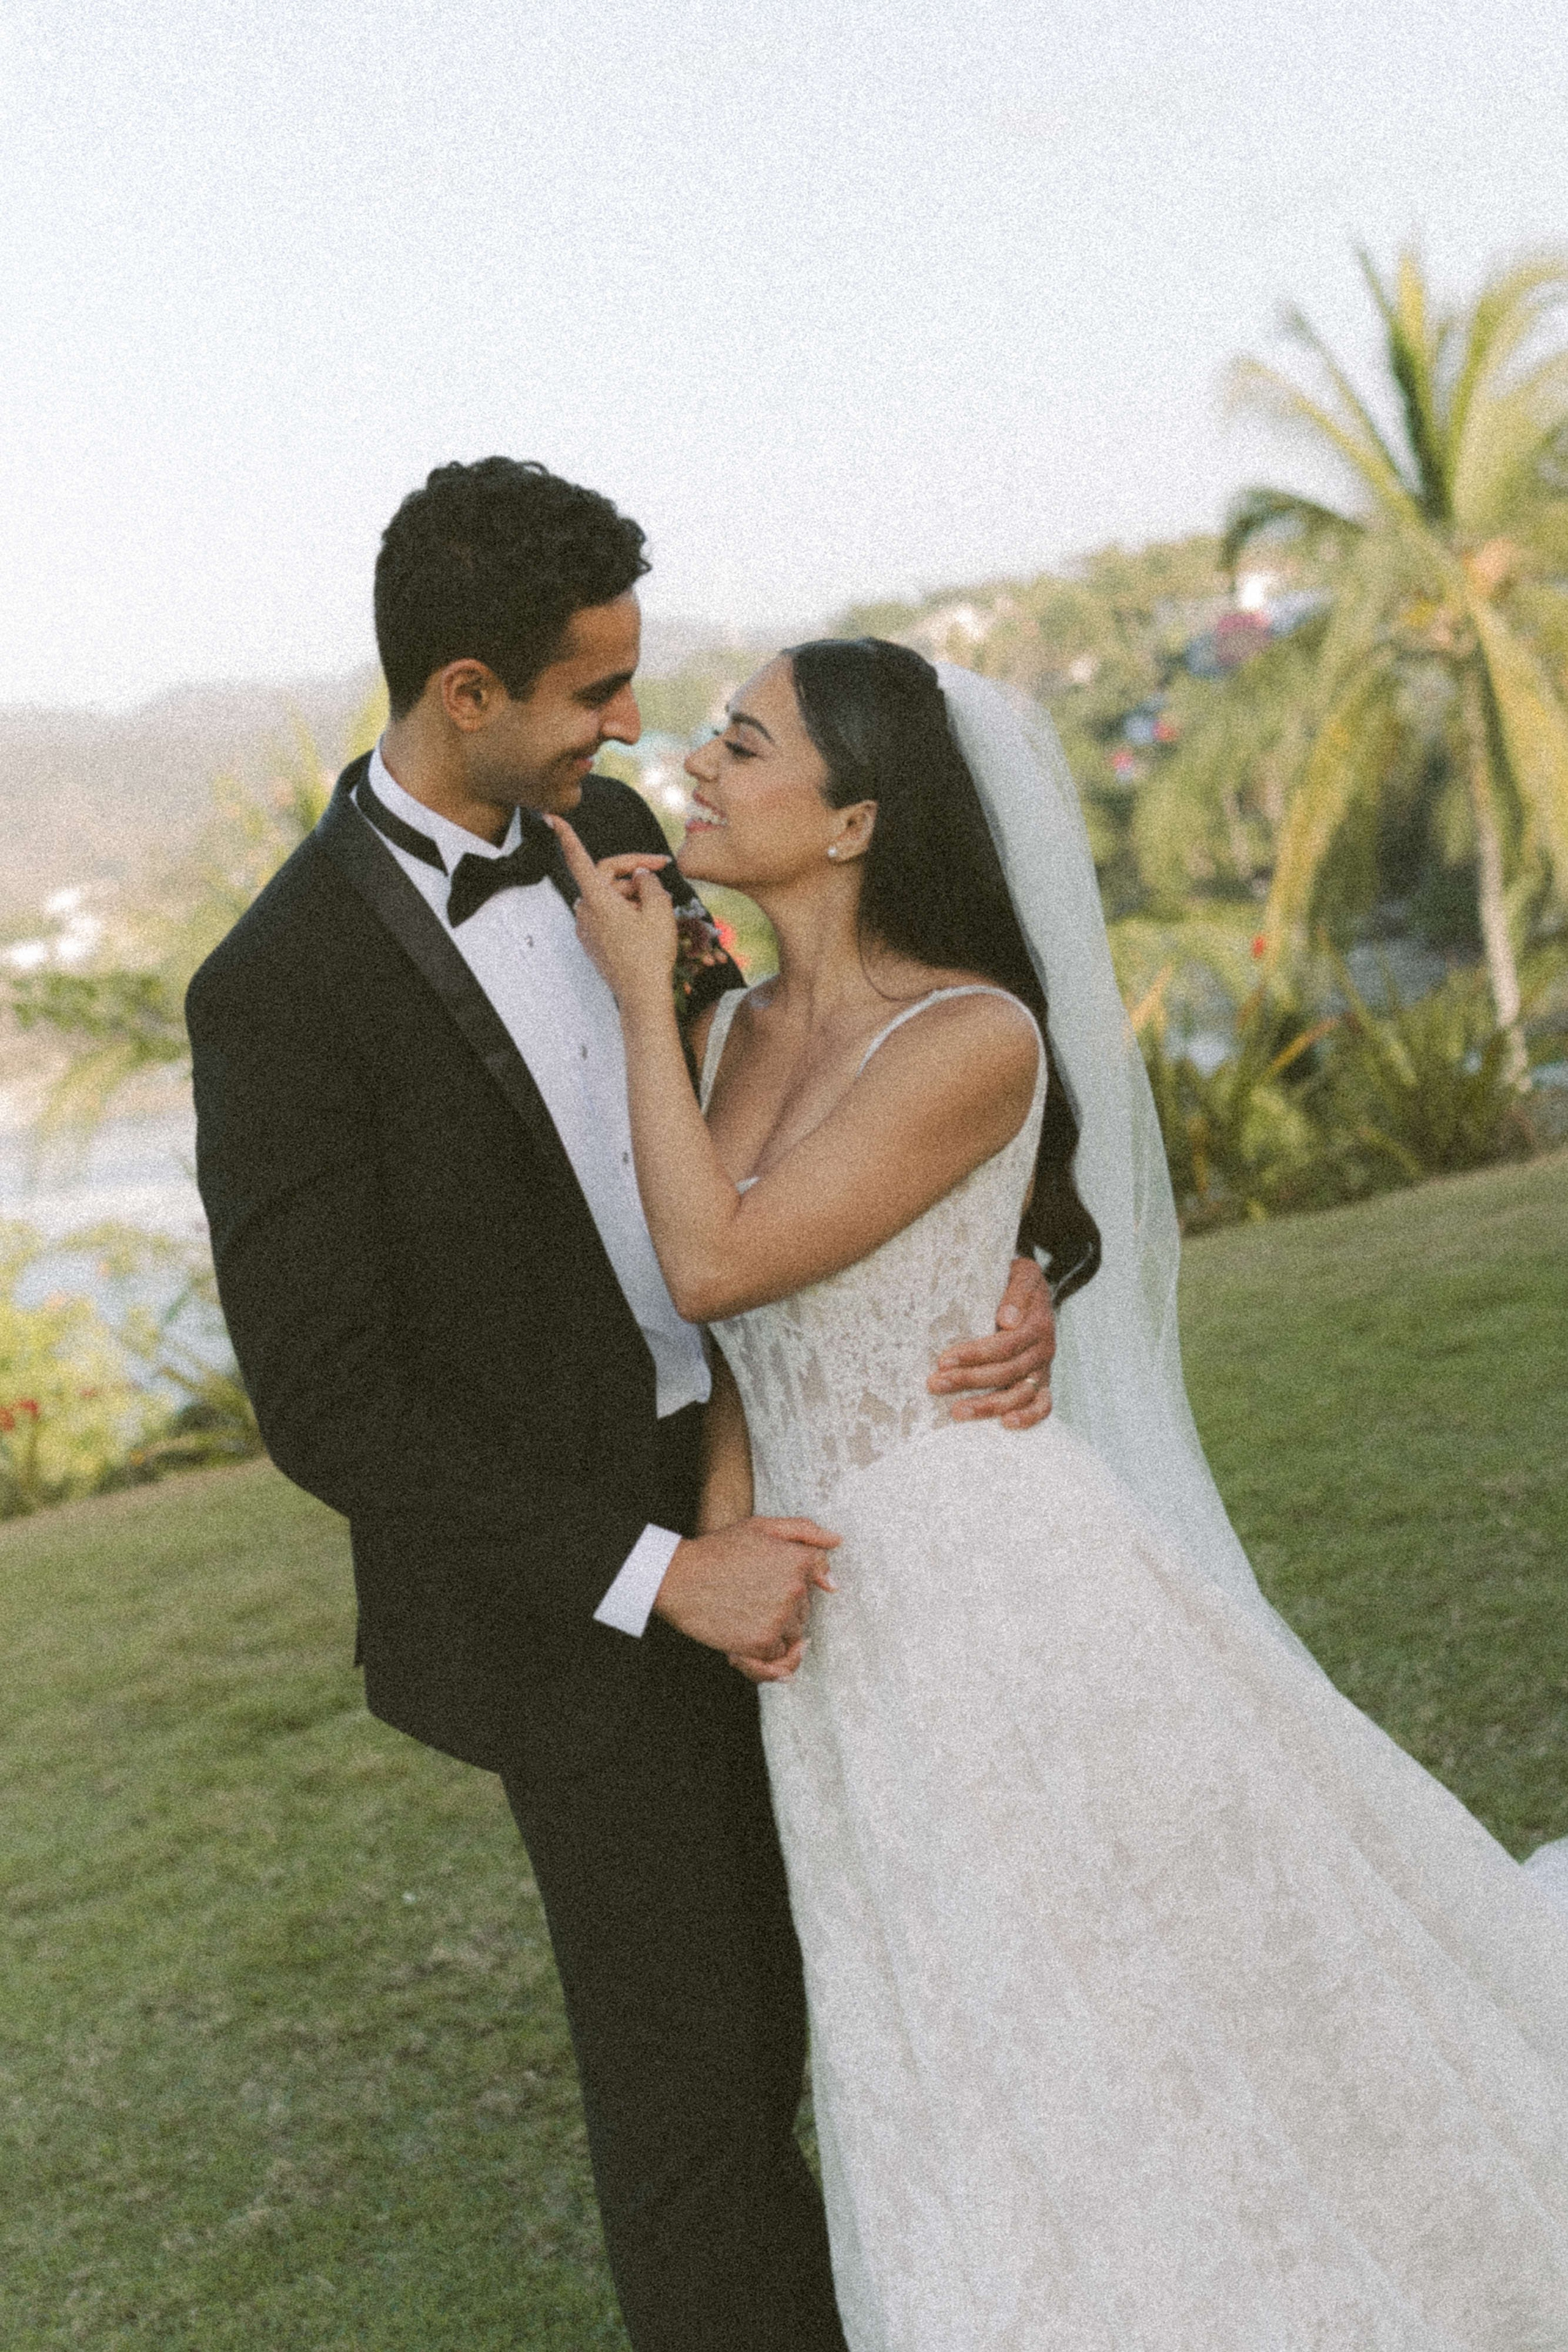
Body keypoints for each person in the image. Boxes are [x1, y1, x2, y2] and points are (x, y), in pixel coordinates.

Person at [560, 635, 1568, 2351]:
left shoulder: (972, 1037)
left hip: (986, 1585)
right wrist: (732, 1537)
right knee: (948, 2032)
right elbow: (748, 1358)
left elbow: (712, 1263)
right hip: (825, 1612)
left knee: (1119, 1987)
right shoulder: (732, 1026)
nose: (701, 770)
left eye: (744, 745)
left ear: (859, 818)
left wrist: (636, 1000)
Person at [184, 462, 1060, 2352]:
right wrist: (662, 1571)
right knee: (700, 2100)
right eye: (595, 692)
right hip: (581, 1596)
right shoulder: (277, 988)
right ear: (468, 693)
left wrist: (1026, 1270)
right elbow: (328, 1405)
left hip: (833, 1513)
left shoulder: (638, 837)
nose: (636, 729)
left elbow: (877, 1064)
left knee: (909, 1997)